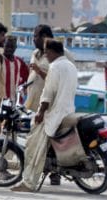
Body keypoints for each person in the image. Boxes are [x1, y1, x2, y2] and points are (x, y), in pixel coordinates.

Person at [11, 38, 78, 192]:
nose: (46, 56)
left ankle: (28, 182)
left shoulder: (55, 66)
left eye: (47, 53)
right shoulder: (71, 66)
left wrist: (40, 112)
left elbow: (48, 93)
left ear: (53, 52)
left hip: (53, 114)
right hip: (67, 112)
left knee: (33, 146)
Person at [25, 24, 75, 186]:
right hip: (35, 103)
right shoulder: (36, 54)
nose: (33, 39)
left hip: (49, 108)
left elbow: (50, 90)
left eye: (36, 36)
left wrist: (41, 111)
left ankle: (32, 179)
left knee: (36, 144)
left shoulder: (61, 59)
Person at [2, 35, 29, 103]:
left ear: (16, 47)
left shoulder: (19, 61)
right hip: (0, 100)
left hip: (15, 100)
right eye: (7, 46)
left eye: (12, 47)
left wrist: (23, 88)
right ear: (3, 45)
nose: (9, 49)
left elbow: (26, 77)